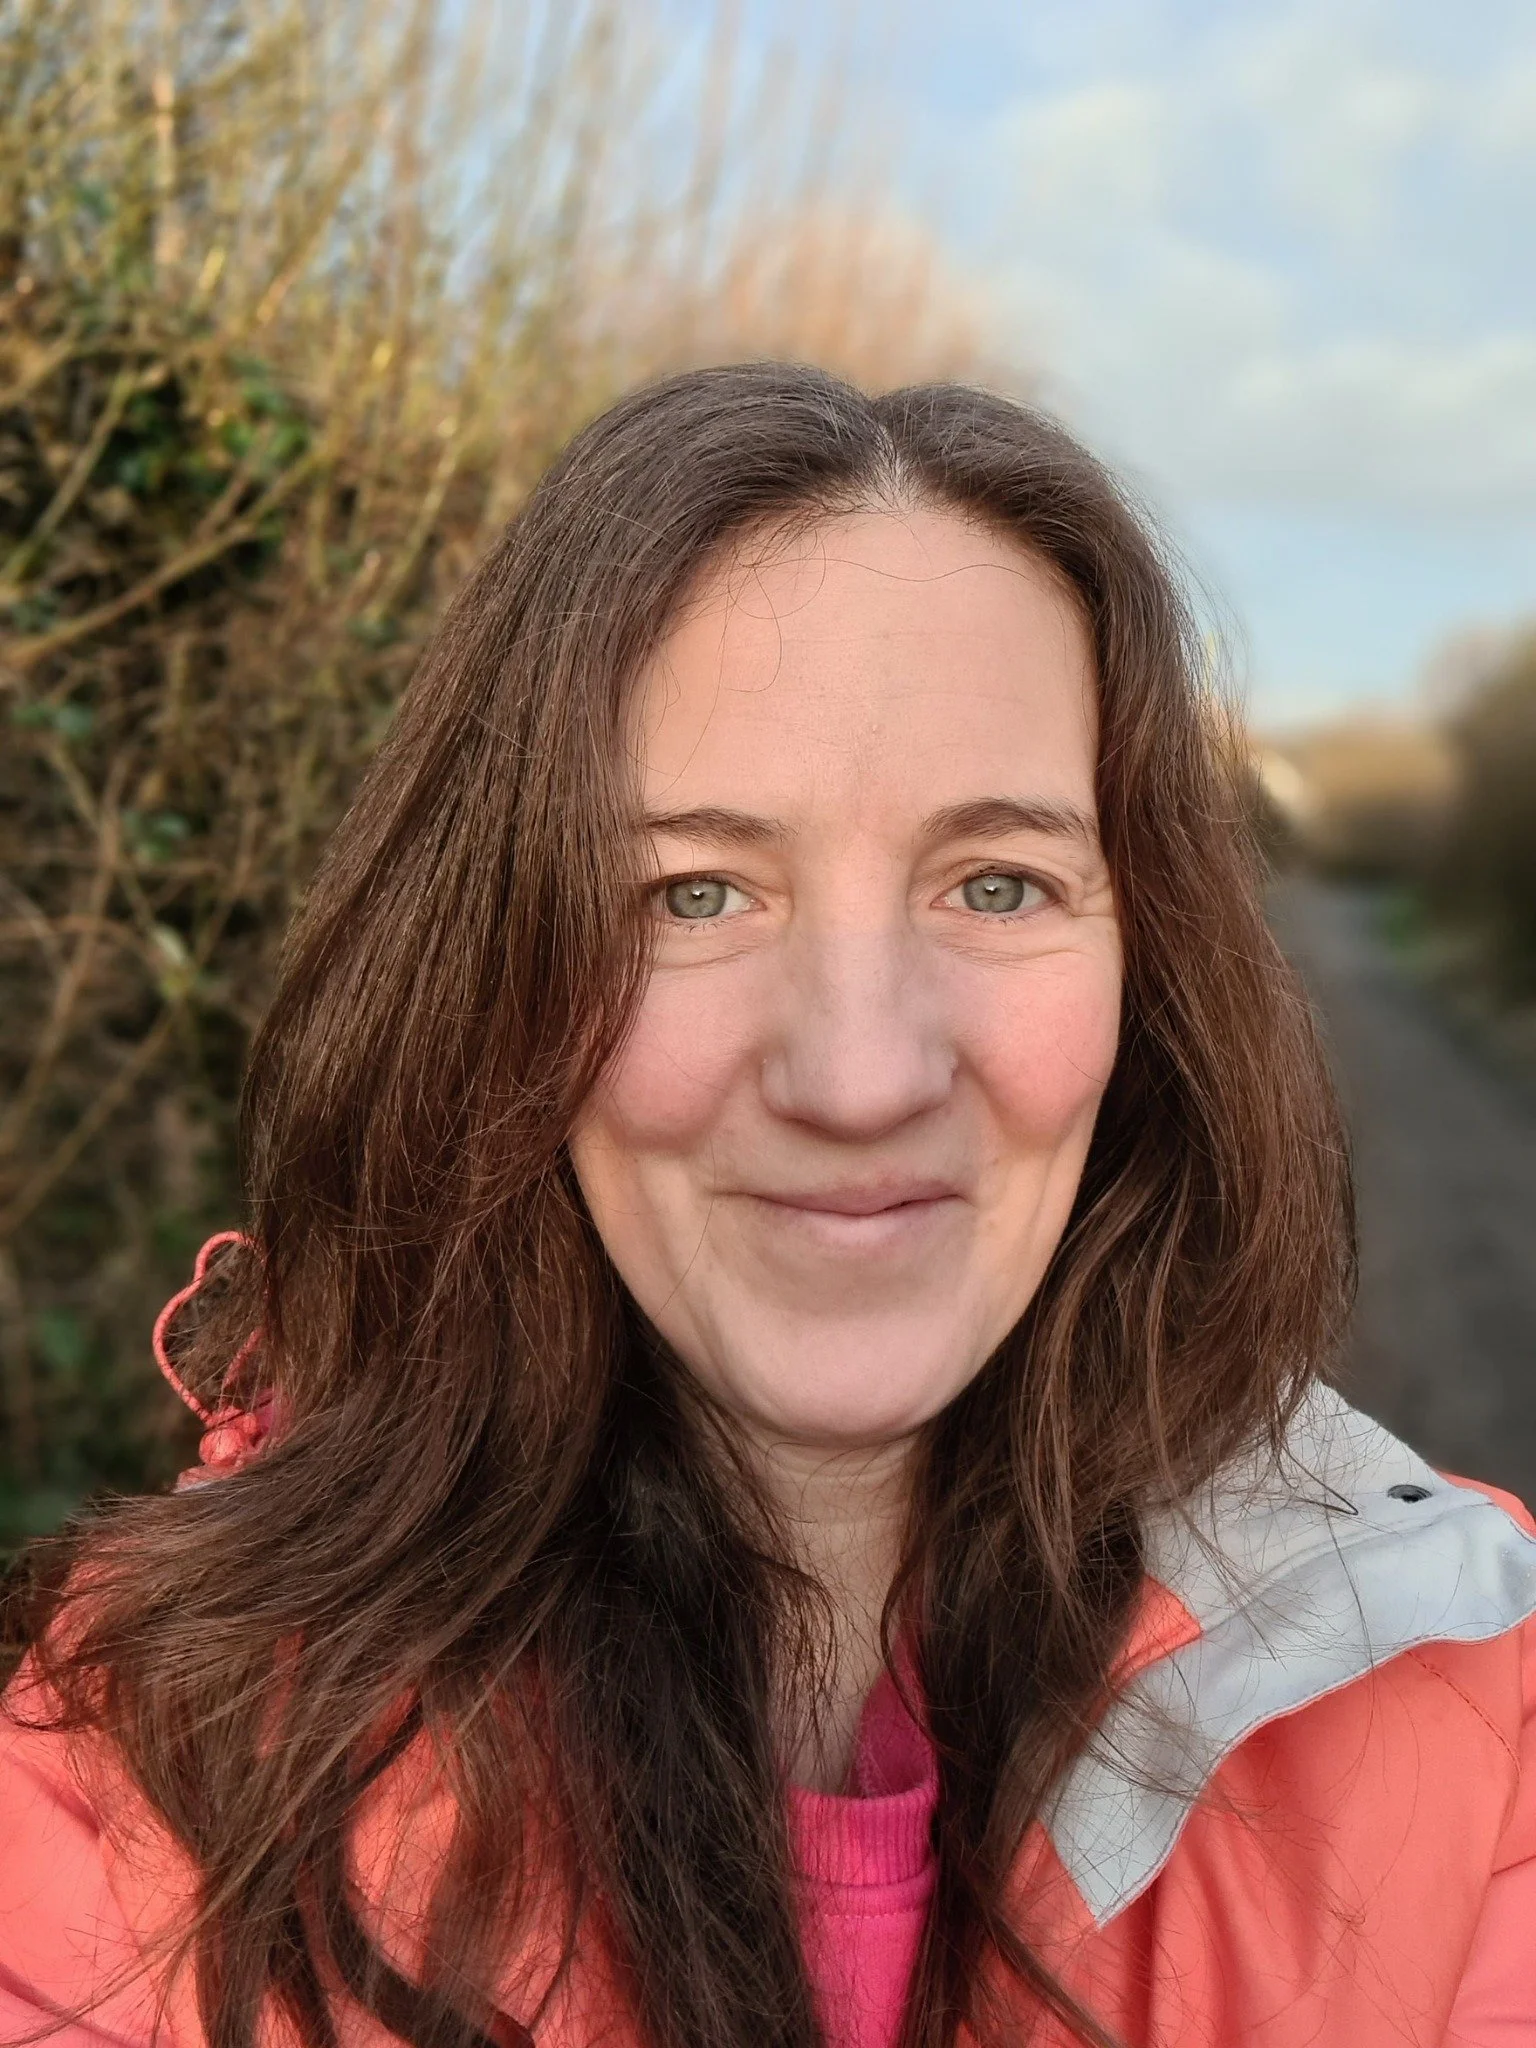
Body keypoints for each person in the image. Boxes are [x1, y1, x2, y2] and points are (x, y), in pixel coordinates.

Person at [2, 364, 1533, 2048]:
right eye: (694, 893)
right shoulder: (139, 1788)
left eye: (999, 882)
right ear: (497, 977)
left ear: (1144, 969)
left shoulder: (1471, 1712)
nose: (860, 1076)